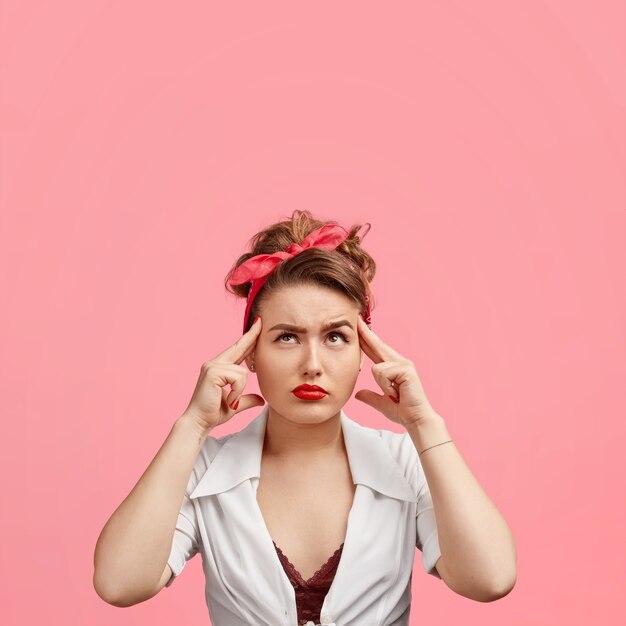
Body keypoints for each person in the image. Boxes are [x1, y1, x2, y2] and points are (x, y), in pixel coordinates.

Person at [93, 210, 517, 625]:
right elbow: (119, 584)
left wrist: (425, 425)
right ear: (250, 354)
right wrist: (191, 427)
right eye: (287, 337)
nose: (312, 364)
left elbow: (491, 578)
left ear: (363, 353)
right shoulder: (205, 467)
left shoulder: (405, 462)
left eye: (335, 337)